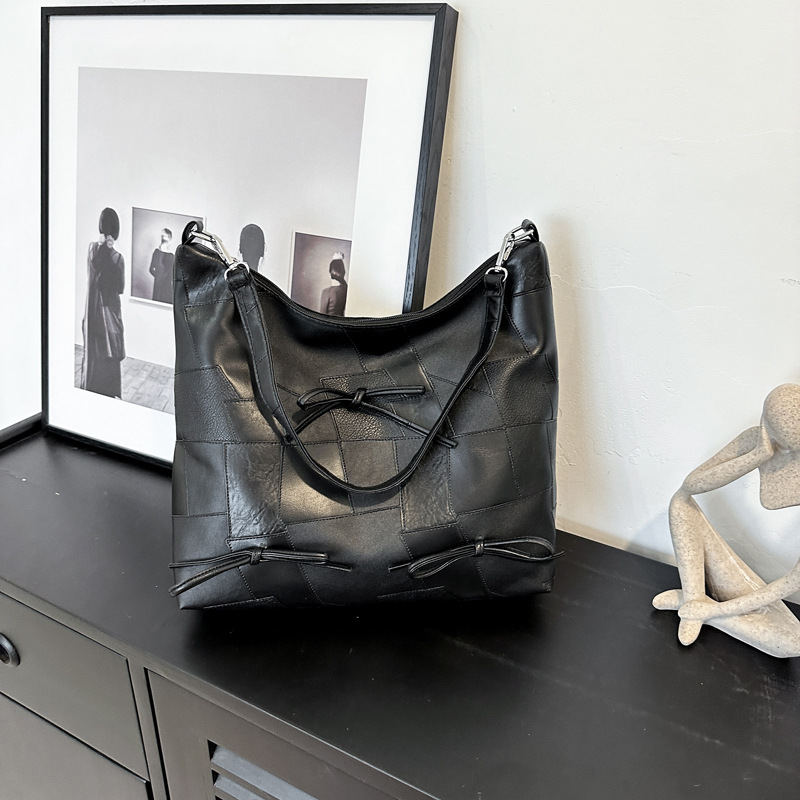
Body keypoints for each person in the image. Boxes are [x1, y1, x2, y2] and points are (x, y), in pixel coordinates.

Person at [653, 383, 800, 657]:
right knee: (680, 503)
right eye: (775, 435)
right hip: (731, 574)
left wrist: (714, 611)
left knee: (793, 644)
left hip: (761, 592)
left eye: (791, 446)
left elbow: (793, 582)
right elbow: (690, 486)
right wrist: (757, 455)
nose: (784, 450)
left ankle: (697, 609)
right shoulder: (757, 441)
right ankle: (695, 598)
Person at [80, 207, 126, 398]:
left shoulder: (92, 250)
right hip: (109, 314)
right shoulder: (118, 258)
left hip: (92, 315)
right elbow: (120, 288)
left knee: (93, 354)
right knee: (110, 355)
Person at [148, 227, 174, 303]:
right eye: (163, 236)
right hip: (158, 285)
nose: (164, 238)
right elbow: (151, 269)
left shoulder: (172, 256)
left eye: (166, 236)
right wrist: (158, 276)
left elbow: (173, 272)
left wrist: (168, 279)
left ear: (170, 238)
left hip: (168, 287)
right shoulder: (157, 252)